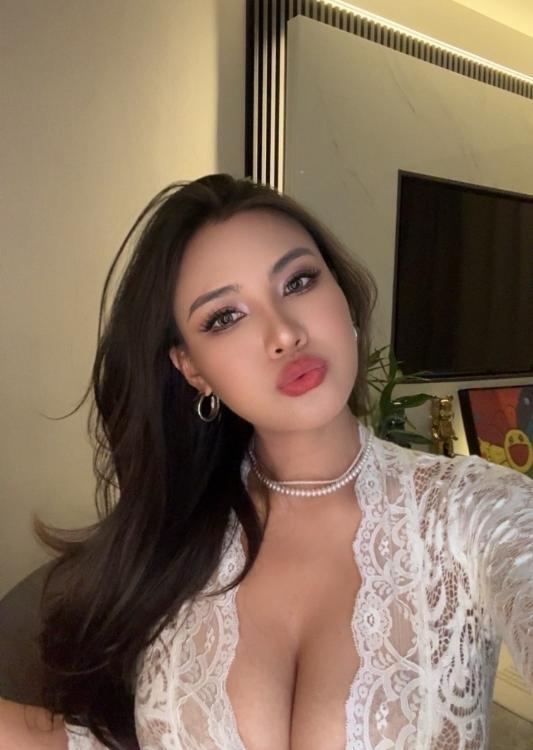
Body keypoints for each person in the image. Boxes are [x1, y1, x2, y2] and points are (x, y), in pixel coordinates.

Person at [1, 174, 532, 750]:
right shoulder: (174, 538)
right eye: (224, 317)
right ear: (192, 368)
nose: (283, 333)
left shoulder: (475, 511)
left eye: (298, 281)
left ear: (341, 295)